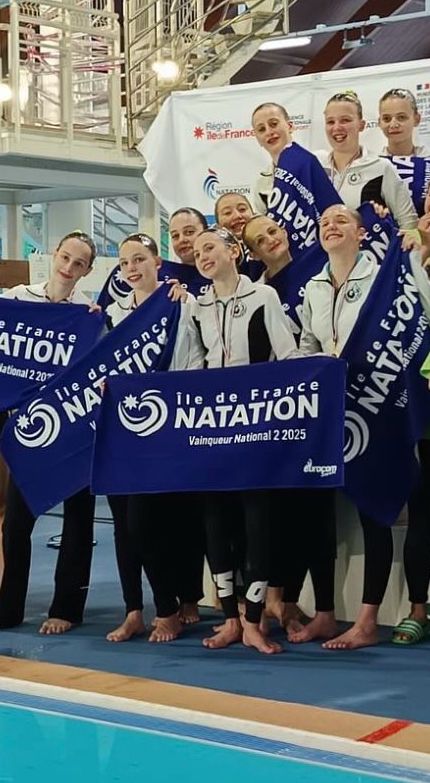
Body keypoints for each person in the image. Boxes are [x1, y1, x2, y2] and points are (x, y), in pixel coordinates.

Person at [300, 204, 430, 650]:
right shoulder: (314, 287)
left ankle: (368, 619)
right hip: (333, 410)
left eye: (341, 221)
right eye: (324, 223)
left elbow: (419, 319)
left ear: (361, 234)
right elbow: (308, 343)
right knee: (322, 512)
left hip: (382, 404)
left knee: (376, 508)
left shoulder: (385, 277)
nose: (330, 226)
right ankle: (325, 614)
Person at [189, 224, 299, 654]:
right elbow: (190, 365)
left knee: (257, 523)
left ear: (234, 251)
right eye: (197, 251)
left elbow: (287, 357)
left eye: (210, 248)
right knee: (215, 522)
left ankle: (254, 621)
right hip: (211, 430)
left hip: (255, 427)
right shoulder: (195, 306)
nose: (202, 256)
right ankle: (230, 619)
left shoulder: (263, 297)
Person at [0, 231, 102, 633]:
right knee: (16, 522)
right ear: (54, 255)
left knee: (78, 518)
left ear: (87, 270)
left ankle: (67, 608)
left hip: (72, 430)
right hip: (28, 429)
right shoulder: (16, 299)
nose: (69, 267)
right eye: (65, 257)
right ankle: (8, 607)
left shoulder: (89, 314)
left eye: (79, 263)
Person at [243, 215, 337, 642]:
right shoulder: (256, 290)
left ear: (285, 231)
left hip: (317, 402)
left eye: (273, 231)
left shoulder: (318, 270)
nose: (270, 239)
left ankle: (298, 600)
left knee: (312, 508)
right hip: (275, 410)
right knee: (277, 511)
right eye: (260, 239)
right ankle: (275, 598)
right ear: (254, 253)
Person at [108, 232, 205, 643]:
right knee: (132, 525)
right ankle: (147, 608)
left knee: (177, 520)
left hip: (173, 428)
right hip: (126, 434)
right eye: (124, 262)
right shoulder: (111, 314)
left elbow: (197, 359)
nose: (132, 268)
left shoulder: (183, 304)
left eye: (139, 259)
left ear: (157, 263)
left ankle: (184, 600)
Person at [316, 91, 418, 228]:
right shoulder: (315, 164)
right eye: (330, 122)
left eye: (345, 120)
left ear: (361, 125)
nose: (337, 127)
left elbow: (409, 223)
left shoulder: (380, 167)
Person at [251, 103, 293, 213]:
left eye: (274, 124)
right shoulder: (262, 185)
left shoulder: (320, 161)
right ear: (258, 139)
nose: (269, 132)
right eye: (261, 129)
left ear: (290, 126)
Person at [378, 88, 430, 158]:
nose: (393, 125)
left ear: (416, 119)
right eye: (387, 118)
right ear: (380, 122)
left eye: (401, 117)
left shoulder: (427, 160)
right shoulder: (374, 163)